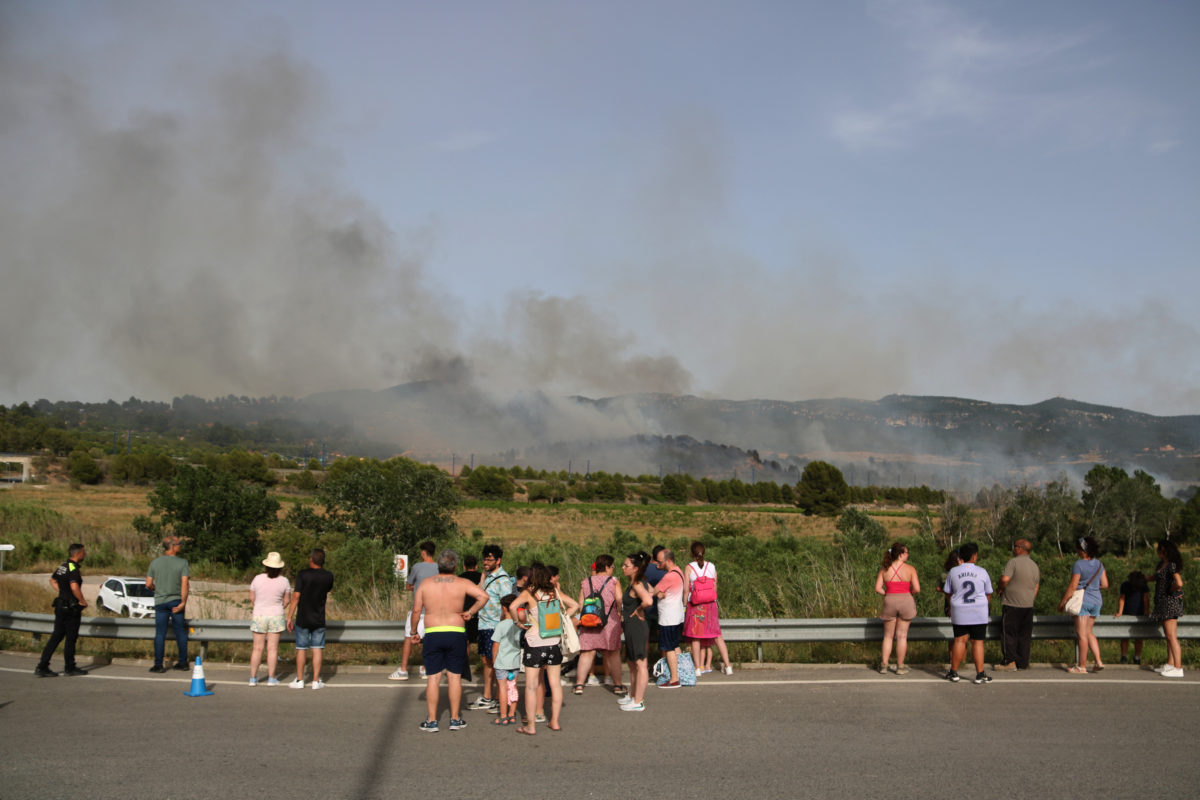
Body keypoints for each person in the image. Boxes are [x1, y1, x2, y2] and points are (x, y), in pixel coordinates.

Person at [411, 550, 489, 732]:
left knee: (433, 677)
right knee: (454, 677)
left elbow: (416, 611)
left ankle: (432, 721)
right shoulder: (462, 583)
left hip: (433, 631)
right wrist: (470, 612)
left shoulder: (426, 584)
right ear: (455, 566)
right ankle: (455, 719)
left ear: (438, 565)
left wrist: (414, 631)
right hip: (456, 631)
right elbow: (484, 596)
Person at [510, 562, 579, 735]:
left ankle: (531, 725)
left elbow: (512, 606)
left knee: (531, 686)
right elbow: (575, 605)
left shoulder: (529, 593)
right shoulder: (553, 591)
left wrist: (518, 622)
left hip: (535, 642)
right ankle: (554, 721)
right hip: (554, 642)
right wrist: (563, 618)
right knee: (555, 684)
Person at [468, 543, 513, 712]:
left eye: (489, 559)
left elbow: (507, 604)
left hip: (495, 626)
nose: (486, 562)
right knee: (487, 661)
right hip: (484, 624)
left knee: (495, 662)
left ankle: (496, 698)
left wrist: (503, 627)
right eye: (484, 559)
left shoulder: (503, 580)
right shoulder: (486, 577)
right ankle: (489, 697)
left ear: (498, 560)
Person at [35, 543, 89, 677]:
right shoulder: (73, 568)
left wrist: (62, 592)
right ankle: (69, 667)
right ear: (77, 554)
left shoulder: (63, 566)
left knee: (56, 636)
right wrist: (82, 600)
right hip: (71, 608)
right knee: (71, 638)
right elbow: (74, 586)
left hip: (60, 605)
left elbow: (52, 580)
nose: (85, 554)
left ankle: (42, 666)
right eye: (83, 552)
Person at [943, 542, 993, 684]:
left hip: (960, 610)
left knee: (959, 640)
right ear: (974, 556)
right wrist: (983, 604)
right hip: (978, 611)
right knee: (977, 642)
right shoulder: (982, 571)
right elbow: (988, 593)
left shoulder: (953, 571)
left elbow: (947, 592)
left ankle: (954, 672)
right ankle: (980, 674)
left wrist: (953, 603)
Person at [574, 554, 624, 695]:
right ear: (607, 567)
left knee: (586, 652)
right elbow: (619, 600)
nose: (613, 569)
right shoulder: (614, 581)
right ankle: (618, 685)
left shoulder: (586, 581)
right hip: (609, 620)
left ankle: (579, 685)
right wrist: (619, 613)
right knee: (613, 653)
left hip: (589, 620)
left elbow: (580, 604)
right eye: (612, 567)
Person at [1057, 536, 1108, 674]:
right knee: (1089, 632)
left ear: (1083, 550)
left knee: (1082, 635)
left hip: (1083, 602)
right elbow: (1105, 584)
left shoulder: (1078, 564)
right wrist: (1093, 587)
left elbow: (1073, 586)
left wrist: (1063, 602)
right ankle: (1098, 661)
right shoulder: (1099, 564)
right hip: (1097, 600)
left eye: (1078, 548)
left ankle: (1082, 666)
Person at [390, 540, 438, 681]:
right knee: (430, 640)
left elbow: (409, 585)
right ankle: (426, 668)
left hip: (418, 609)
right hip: (433, 610)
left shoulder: (417, 567)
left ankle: (403, 670)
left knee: (408, 638)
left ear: (423, 552)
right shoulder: (439, 567)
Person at [684, 541, 733, 676]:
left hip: (696, 606)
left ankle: (697, 669)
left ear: (691, 553)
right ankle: (728, 667)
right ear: (704, 552)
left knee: (696, 637)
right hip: (711, 605)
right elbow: (715, 587)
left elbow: (686, 590)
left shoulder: (689, 568)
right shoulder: (711, 566)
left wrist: (684, 606)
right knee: (717, 636)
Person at [287, 548, 334, 689]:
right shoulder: (328, 576)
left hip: (303, 617)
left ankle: (300, 680)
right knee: (317, 648)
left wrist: (289, 617)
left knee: (301, 648)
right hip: (318, 617)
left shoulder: (302, 575)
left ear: (311, 559)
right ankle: (315, 681)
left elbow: (296, 597)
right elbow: (327, 591)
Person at [874, 542, 920, 675]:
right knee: (902, 636)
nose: (908, 555)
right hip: (906, 600)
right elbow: (917, 588)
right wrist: (908, 593)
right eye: (906, 553)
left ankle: (884, 665)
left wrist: (888, 593)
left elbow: (877, 588)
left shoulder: (884, 569)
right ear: (900, 555)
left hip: (890, 600)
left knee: (888, 636)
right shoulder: (910, 569)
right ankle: (900, 667)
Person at [616, 552, 654, 712]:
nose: (623, 568)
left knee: (640, 663)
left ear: (635, 568)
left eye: (626, 565)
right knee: (632, 663)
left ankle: (638, 701)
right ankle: (633, 695)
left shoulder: (638, 583)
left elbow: (649, 600)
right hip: (631, 627)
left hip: (637, 627)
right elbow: (653, 592)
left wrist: (639, 609)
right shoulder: (637, 582)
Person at [145, 535, 189, 673]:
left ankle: (158, 664)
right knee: (180, 632)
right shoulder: (183, 563)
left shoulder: (155, 563)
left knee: (160, 634)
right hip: (176, 601)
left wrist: (155, 589)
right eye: (179, 543)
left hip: (160, 601)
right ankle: (183, 662)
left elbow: (148, 584)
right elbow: (185, 583)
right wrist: (183, 602)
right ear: (172, 546)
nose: (180, 545)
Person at [994, 539, 1040, 671]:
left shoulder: (1013, 562)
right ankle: (1023, 662)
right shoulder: (1034, 565)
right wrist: (1030, 598)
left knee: (1009, 633)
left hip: (1012, 604)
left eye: (1015, 546)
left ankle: (1009, 661)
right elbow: (1037, 586)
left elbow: (1004, 579)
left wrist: (1000, 589)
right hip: (1028, 605)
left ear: (1020, 548)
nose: (1013, 549)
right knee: (1024, 635)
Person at [249, 552, 291, 686]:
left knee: (257, 648)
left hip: (260, 614)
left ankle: (253, 678)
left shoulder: (257, 578)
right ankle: (271, 678)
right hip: (276, 615)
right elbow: (287, 601)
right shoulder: (284, 581)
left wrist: (260, 605)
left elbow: (252, 598)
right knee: (272, 648)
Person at [1149, 540, 1185, 678]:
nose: (1158, 552)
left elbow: (1179, 582)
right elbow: (1155, 577)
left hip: (1169, 603)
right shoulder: (1161, 565)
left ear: (1164, 551)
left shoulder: (1171, 565)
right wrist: (1144, 578)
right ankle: (1170, 665)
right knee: (1168, 636)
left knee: (1171, 636)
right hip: (1162, 603)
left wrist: (1172, 589)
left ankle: (1178, 667)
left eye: (1160, 550)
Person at [653, 548, 686, 689]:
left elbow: (653, 591)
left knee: (669, 648)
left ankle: (674, 679)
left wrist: (658, 593)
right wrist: (660, 593)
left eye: (660, 562)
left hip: (668, 619)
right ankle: (683, 673)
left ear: (668, 561)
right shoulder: (679, 572)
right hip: (677, 616)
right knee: (675, 646)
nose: (657, 564)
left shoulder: (669, 577)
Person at [489, 593, 522, 725]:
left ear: (504, 608)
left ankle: (503, 715)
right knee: (513, 687)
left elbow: (495, 645)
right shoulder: (519, 624)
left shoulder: (501, 625)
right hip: (515, 661)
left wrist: (494, 659)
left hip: (502, 661)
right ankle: (512, 714)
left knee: (502, 688)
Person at [1115, 570, 1149, 665]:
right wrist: (1120, 612)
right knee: (1125, 637)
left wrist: (1147, 612)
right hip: (1127, 613)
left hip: (1140, 614)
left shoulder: (1143, 585)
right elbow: (1122, 598)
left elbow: (1146, 599)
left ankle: (1137, 657)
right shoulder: (1125, 585)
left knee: (1139, 638)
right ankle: (1124, 656)